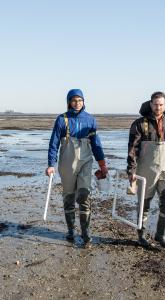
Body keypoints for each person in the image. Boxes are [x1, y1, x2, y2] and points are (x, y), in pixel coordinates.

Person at [46, 89, 108, 248]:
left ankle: (86, 233)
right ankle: (71, 230)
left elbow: (96, 144)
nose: (77, 103)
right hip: (67, 162)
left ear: (84, 101)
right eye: (74, 100)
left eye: (80, 100)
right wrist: (51, 165)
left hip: (86, 161)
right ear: (69, 102)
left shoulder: (90, 120)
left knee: (84, 195)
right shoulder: (62, 120)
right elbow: (54, 144)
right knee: (68, 197)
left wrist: (102, 165)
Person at [127, 91, 165, 249]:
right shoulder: (139, 124)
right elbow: (132, 150)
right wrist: (131, 171)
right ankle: (141, 236)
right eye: (156, 104)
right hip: (145, 169)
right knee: (144, 205)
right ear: (150, 104)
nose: (158, 107)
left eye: (161, 104)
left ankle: (160, 235)